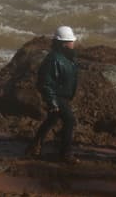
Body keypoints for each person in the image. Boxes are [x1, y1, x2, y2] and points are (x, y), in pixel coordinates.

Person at [27, 25, 80, 164]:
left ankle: (35, 146)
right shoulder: (53, 60)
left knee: (52, 120)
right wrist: (53, 102)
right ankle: (65, 153)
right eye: (71, 41)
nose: (73, 43)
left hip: (62, 96)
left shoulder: (68, 57)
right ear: (64, 44)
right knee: (69, 120)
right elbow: (45, 83)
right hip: (57, 96)